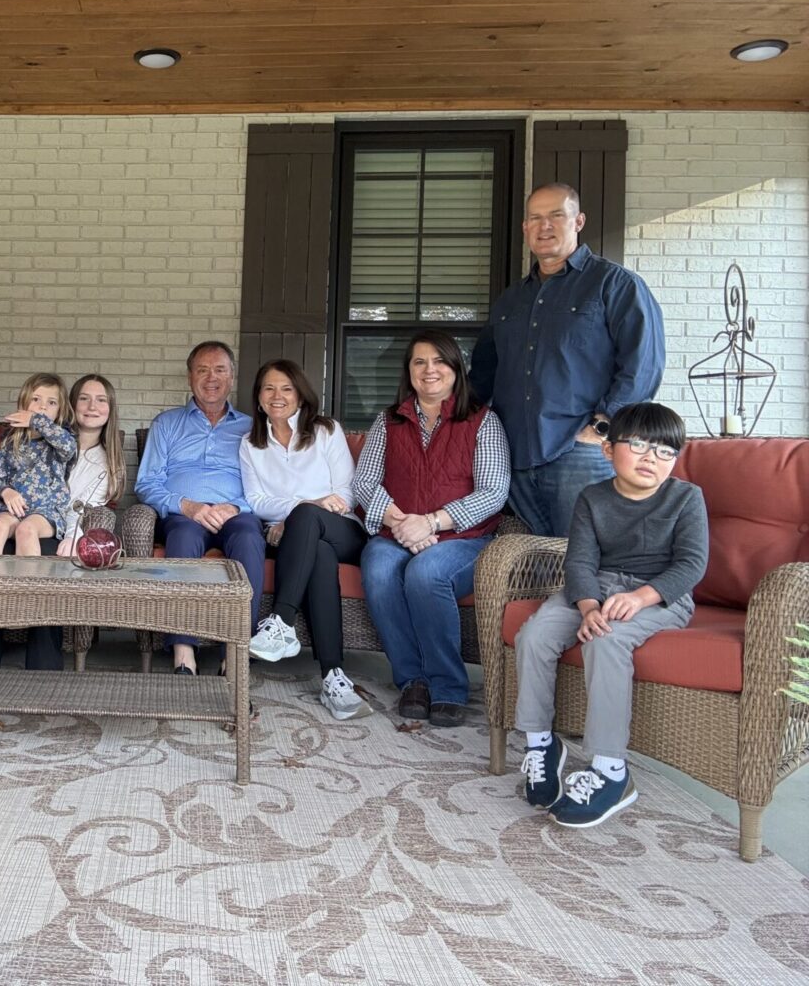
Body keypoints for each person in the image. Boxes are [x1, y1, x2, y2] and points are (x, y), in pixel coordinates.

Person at [515, 402, 708, 828]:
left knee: (606, 640)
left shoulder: (686, 498)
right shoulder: (593, 497)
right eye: (638, 445)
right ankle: (540, 744)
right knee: (536, 635)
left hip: (661, 596)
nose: (650, 458)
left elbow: (692, 565)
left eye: (663, 451)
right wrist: (587, 606)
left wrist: (640, 597)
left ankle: (610, 770)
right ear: (608, 451)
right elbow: (580, 561)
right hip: (595, 588)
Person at [469, 182, 666, 538]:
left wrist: (601, 428)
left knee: (587, 564)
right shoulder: (512, 299)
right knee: (542, 567)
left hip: (580, 454)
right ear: (526, 228)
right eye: (535, 218)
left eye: (556, 216)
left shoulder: (614, 285)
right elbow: (483, 375)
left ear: (578, 221)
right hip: (515, 461)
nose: (545, 226)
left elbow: (643, 364)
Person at [353, 330, 510, 728]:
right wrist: (399, 521)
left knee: (426, 573)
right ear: (409, 371)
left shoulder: (483, 421)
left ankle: (448, 687)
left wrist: (433, 522)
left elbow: (493, 491)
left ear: (456, 369)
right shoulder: (389, 421)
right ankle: (413, 681)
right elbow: (364, 482)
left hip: (464, 538)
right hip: (397, 531)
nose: (430, 370)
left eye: (439, 361)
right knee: (378, 568)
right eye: (420, 362)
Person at [238, 359, 370, 720]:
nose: (277, 396)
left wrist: (301, 512)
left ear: (300, 394)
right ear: (259, 396)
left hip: (342, 527)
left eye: (286, 388)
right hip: (295, 535)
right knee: (319, 555)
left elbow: (348, 491)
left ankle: (281, 621)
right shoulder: (251, 443)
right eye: (269, 388)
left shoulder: (326, 430)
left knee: (310, 519)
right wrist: (296, 514)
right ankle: (333, 676)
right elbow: (255, 501)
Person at [0, 372, 128, 670]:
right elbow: (6, 486)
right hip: (15, 521)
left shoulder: (103, 462)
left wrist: (74, 534)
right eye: (84, 398)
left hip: (54, 529)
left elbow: (82, 509)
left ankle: (41, 669)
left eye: (101, 400)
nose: (92, 406)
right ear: (71, 406)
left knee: (43, 557)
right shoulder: (27, 441)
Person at [136, 341, 263, 676]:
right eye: (202, 370)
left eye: (220, 369)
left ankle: (235, 652)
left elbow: (269, 486)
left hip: (237, 515)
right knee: (182, 535)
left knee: (250, 538)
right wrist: (187, 506)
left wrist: (236, 507)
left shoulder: (254, 428)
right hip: (183, 514)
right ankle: (183, 651)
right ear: (189, 376)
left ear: (232, 377)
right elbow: (147, 482)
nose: (211, 378)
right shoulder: (166, 424)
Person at [0, 373, 77, 556]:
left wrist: (35, 420)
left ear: (59, 411)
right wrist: (5, 491)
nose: (43, 406)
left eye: (52, 402)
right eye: (36, 399)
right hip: (14, 509)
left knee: (26, 530)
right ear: (24, 403)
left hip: (47, 513)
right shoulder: (11, 441)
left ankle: (27, 584)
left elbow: (67, 446)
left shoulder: (61, 440)